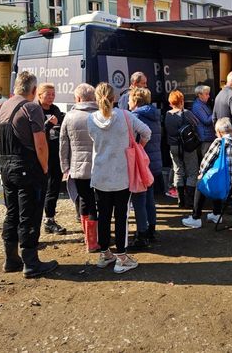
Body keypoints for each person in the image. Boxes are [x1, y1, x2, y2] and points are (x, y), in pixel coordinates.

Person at [0, 71, 57, 278]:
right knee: (29, 215)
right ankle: (31, 263)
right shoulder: (32, 108)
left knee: (12, 212)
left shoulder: (2, 107)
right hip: (27, 168)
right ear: (33, 90)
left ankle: (11, 259)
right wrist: (45, 167)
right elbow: (40, 144)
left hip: (6, 165)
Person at [87, 82, 151, 274]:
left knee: (103, 214)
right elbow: (147, 132)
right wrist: (139, 146)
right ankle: (121, 257)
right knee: (121, 215)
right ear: (114, 97)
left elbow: (95, 140)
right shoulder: (126, 116)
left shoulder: (90, 119)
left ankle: (105, 253)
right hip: (122, 173)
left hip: (99, 174)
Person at [182, 117, 232, 228]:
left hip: (227, 189)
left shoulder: (219, 142)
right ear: (231, 131)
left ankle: (196, 217)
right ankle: (216, 214)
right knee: (217, 177)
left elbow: (206, 162)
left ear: (219, 132)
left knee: (202, 181)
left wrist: (201, 173)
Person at [59, 83, 99, 253]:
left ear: (78, 98)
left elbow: (63, 144)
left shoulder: (69, 116)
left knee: (84, 200)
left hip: (78, 168)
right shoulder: (100, 115)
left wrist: (65, 167)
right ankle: (98, 238)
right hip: (100, 167)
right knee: (100, 202)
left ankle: (89, 240)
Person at [128, 87, 161, 249]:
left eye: (129, 99)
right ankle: (152, 231)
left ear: (135, 100)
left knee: (139, 200)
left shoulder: (135, 117)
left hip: (141, 164)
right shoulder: (155, 115)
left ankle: (142, 234)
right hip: (155, 163)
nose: (128, 102)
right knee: (150, 199)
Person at [36, 83, 66, 235]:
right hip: (40, 155)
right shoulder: (35, 110)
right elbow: (36, 132)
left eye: (53, 94)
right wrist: (48, 124)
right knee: (39, 189)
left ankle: (49, 219)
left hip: (55, 154)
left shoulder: (55, 109)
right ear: (39, 95)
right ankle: (34, 221)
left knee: (53, 187)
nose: (51, 97)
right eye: (48, 94)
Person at [165, 89, 200, 208]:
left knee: (178, 170)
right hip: (187, 146)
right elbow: (197, 123)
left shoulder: (167, 114)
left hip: (173, 147)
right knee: (192, 171)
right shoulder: (186, 113)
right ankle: (190, 200)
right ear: (182, 101)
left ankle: (180, 199)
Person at [191, 84, 216, 158]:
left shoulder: (203, 104)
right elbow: (206, 121)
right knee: (207, 158)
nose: (208, 96)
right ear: (199, 95)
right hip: (205, 137)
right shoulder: (197, 106)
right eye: (206, 94)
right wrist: (216, 112)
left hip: (208, 136)